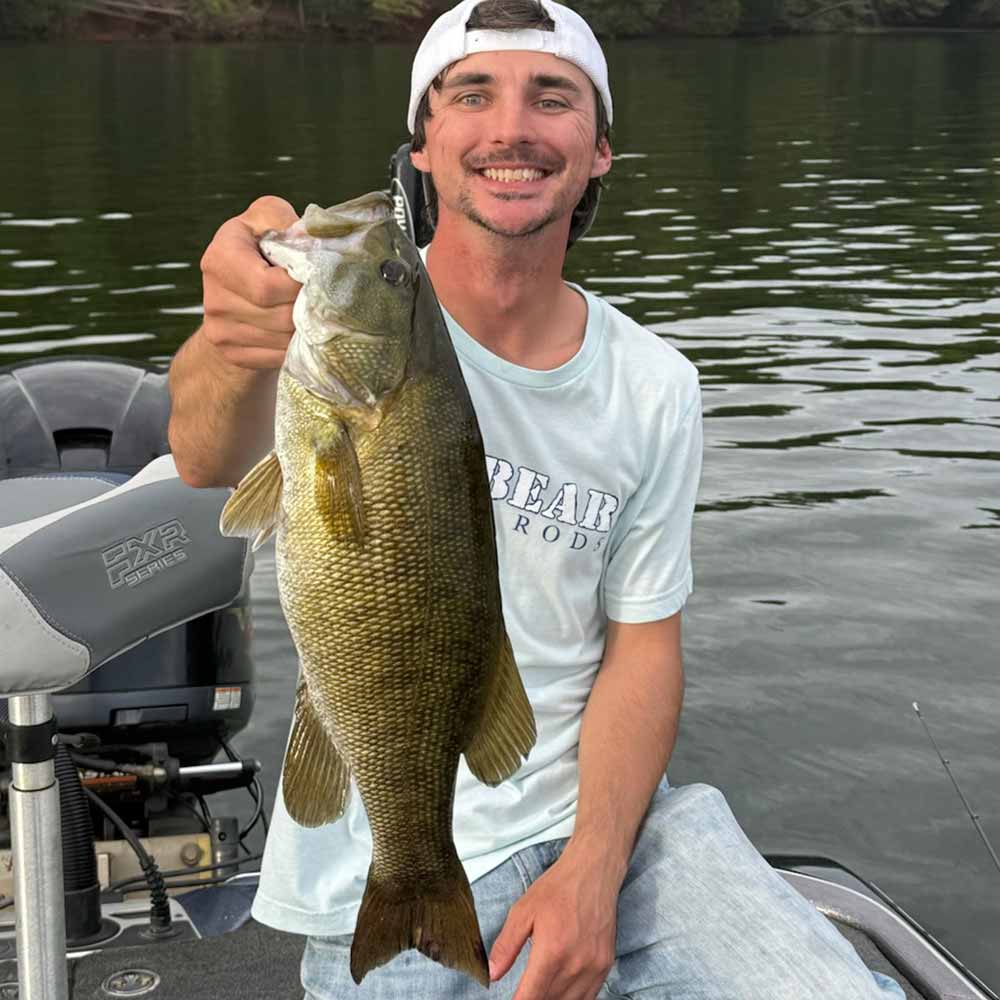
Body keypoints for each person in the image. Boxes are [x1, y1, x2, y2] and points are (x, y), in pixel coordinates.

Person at [167, 2, 906, 998]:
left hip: (615, 830)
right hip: (382, 847)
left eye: (549, 96)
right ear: (424, 146)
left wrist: (592, 874)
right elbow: (207, 452)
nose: (511, 126)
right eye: (472, 93)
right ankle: (413, 876)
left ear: (597, 150)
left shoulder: (653, 384)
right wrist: (230, 333)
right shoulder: (323, 337)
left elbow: (644, 644)